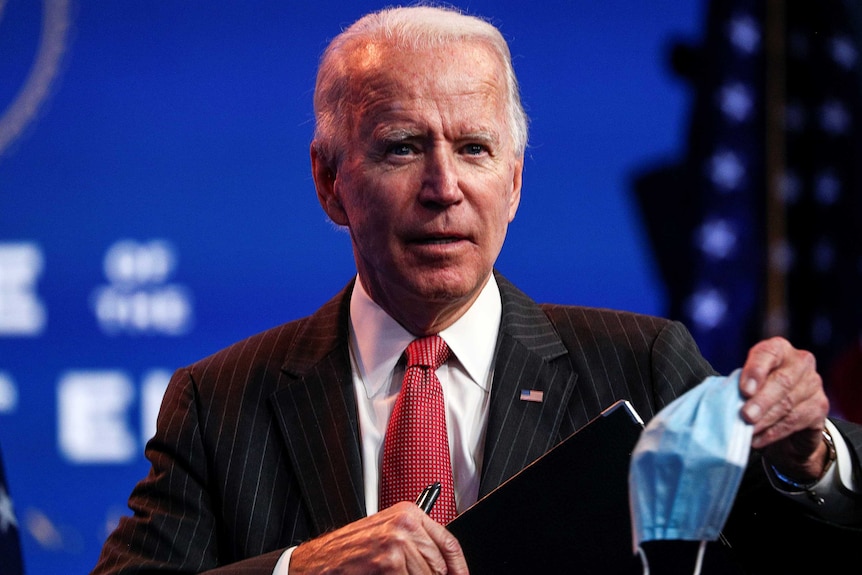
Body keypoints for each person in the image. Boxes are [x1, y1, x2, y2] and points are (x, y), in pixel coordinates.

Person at [90, 5, 862, 574]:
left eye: (474, 148)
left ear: (516, 180)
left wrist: (810, 457)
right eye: (401, 147)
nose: (444, 187)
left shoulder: (643, 363)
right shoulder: (220, 401)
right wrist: (300, 568)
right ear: (330, 182)